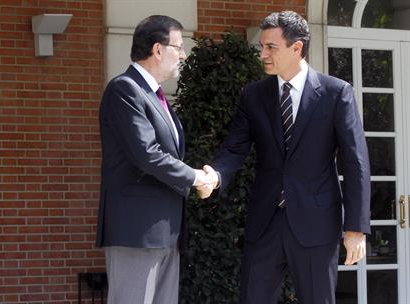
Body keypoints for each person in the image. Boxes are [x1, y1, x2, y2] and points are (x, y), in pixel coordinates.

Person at [199, 11, 371, 304]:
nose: (263, 54)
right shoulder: (253, 95)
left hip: (317, 223)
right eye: (262, 47)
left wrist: (355, 227)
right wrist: (215, 175)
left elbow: (355, 162)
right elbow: (234, 149)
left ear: (297, 47)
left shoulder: (336, 93)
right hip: (265, 222)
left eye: (271, 47)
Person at [95, 15, 213, 304]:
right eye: (179, 46)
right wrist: (196, 177)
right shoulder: (125, 89)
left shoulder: (154, 95)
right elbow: (147, 154)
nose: (184, 54)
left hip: (165, 231)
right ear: (158, 49)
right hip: (136, 232)